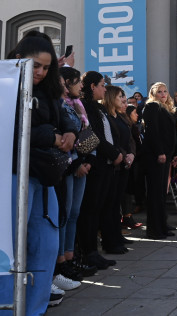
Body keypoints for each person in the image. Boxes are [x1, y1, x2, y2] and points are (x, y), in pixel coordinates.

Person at [0, 32, 76, 313]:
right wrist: (50, 135)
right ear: (19, 58)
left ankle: (34, 310)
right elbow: (3, 127)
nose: (41, 72)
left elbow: (68, 114)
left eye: (46, 67)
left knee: (45, 247)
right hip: (10, 173)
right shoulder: (1, 83)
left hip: (43, 177)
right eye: (37, 65)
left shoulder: (49, 90)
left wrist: (69, 130)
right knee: (6, 252)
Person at [77, 71, 122, 269]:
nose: (105, 88)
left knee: (99, 207)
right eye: (102, 85)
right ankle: (88, 252)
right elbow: (94, 136)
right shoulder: (87, 106)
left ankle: (94, 250)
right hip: (97, 163)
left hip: (106, 163)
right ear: (92, 86)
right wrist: (113, 154)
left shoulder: (98, 107)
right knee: (91, 209)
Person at [54, 67, 92, 285]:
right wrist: (77, 162)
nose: (81, 86)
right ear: (66, 83)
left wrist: (87, 160)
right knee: (64, 214)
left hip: (81, 163)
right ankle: (61, 262)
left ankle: (70, 256)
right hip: (68, 165)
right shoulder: (62, 105)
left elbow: (86, 133)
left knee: (74, 213)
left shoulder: (78, 106)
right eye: (77, 82)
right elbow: (66, 135)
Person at [141, 82, 177, 240]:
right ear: (153, 94)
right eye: (159, 92)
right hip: (157, 156)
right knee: (155, 193)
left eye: (165, 91)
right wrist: (160, 152)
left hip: (167, 154)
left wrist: (173, 154)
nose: (163, 94)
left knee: (162, 192)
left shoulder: (166, 108)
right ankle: (154, 229)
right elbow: (153, 131)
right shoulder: (152, 107)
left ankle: (162, 225)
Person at [101, 86, 134, 254]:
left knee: (117, 203)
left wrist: (131, 154)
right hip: (113, 163)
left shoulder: (120, 117)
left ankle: (117, 236)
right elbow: (111, 141)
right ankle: (110, 240)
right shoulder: (106, 116)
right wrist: (122, 154)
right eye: (120, 96)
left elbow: (129, 140)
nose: (123, 99)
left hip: (124, 164)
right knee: (110, 204)